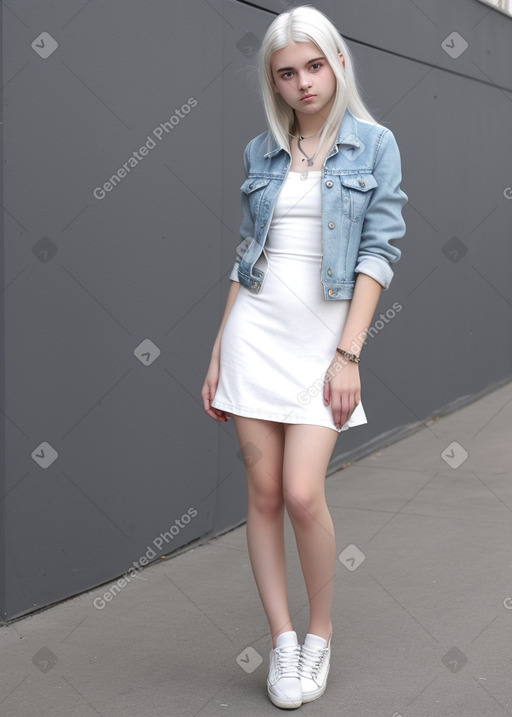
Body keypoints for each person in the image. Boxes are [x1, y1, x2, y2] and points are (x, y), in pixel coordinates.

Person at [201, 5, 407, 709]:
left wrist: (348, 353)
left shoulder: (374, 145)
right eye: (287, 73)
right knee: (261, 494)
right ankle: (282, 640)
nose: (303, 83)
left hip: (323, 340)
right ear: (275, 82)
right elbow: (243, 257)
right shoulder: (262, 152)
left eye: (314, 65)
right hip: (253, 336)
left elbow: (380, 251)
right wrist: (216, 353)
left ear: (338, 63)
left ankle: (319, 632)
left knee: (299, 492)